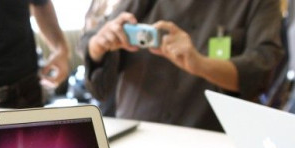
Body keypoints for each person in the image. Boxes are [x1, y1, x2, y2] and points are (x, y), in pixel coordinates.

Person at [81, 0, 285, 130]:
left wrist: (201, 64)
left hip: (209, 141)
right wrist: (98, 46)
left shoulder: (259, 4)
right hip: (138, 133)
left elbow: (261, 69)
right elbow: (98, 77)